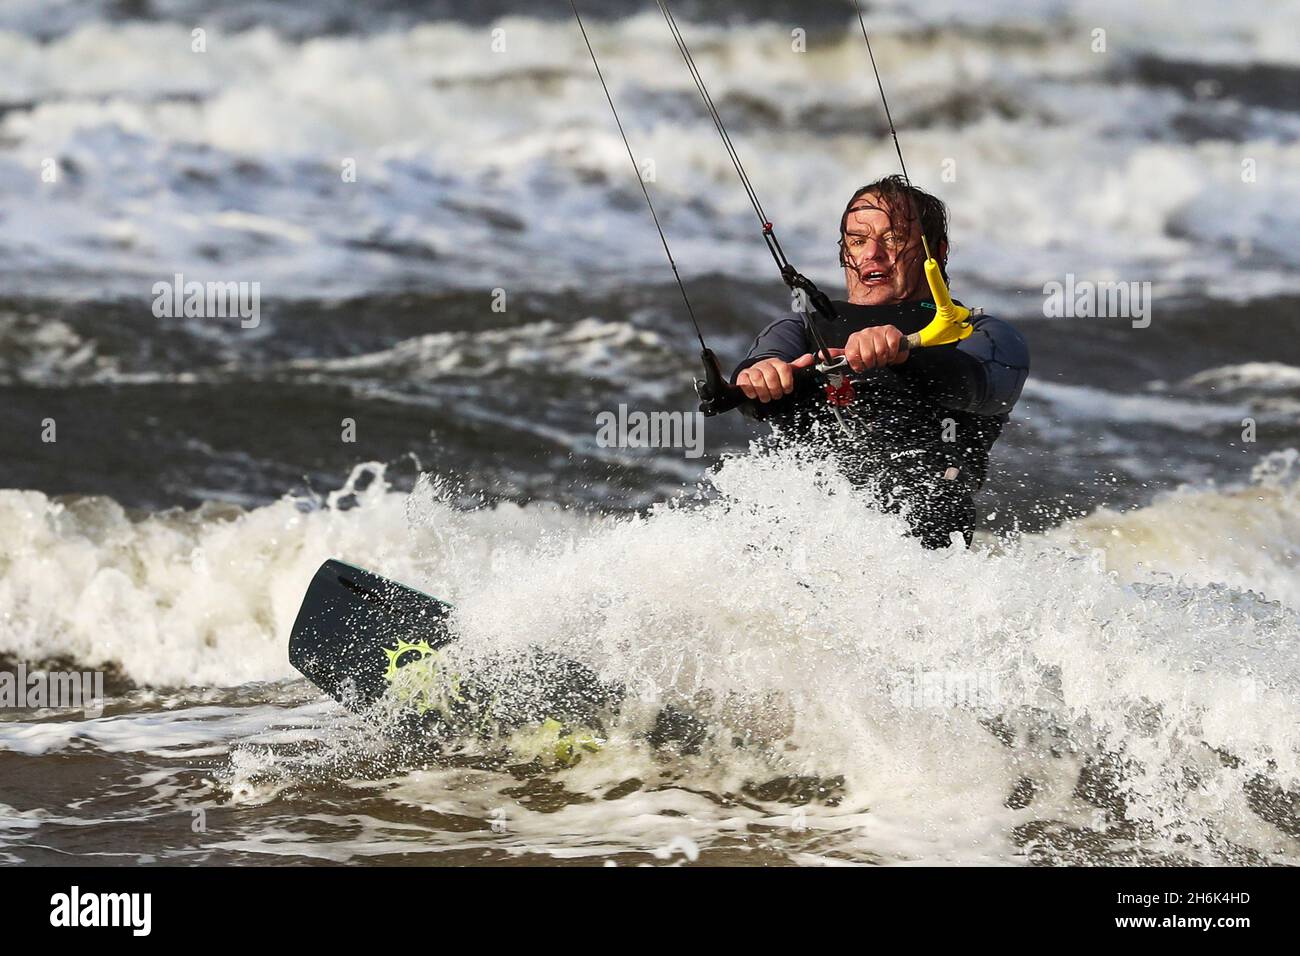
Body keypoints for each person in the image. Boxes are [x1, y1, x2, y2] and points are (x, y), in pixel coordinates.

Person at [733, 175, 1029, 549]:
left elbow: (984, 390)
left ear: (937, 251)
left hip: (923, 549)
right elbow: (749, 376)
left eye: (893, 239)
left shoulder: (980, 333)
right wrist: (762, 377)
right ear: (845, 253)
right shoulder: (801, 327)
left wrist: (903, 356)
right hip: (801, 538)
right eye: (857, 242)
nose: (872, 254)